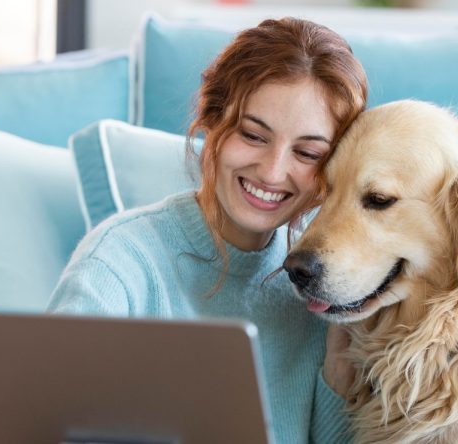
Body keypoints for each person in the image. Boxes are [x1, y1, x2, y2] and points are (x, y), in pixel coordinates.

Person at [47, 17, 368, 444]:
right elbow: (44, 419)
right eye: (253, 135)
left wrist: (337, 371)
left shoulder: (325, 282)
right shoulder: (118, 260)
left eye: (307, 153)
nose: (273, 172)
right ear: (212, 123)